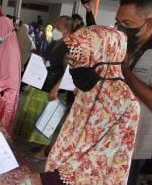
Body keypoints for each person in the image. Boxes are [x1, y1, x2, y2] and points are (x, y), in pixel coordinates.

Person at [41, 25, 140, 184]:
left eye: (81, 56)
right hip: (59, 168)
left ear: (104, 53)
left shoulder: (126, 104)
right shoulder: (88, 87)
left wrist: (52, 178)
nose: (74, 64)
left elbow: (103, 160)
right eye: (73, 56)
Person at [14, 16, 74, 162]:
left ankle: (43, 152)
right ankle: (38, 146)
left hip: (53, 89)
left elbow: (70, 70)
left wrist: (56, 88)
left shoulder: (71, 46)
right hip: (43, 84)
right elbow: (49, 59)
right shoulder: (56, 41)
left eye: (58, 27)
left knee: (48, 119)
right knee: (38, 118)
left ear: (67, 29)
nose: (54, 29)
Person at [115, 0, 152, 184]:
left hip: (134, 143)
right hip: (108, 131)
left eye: (127, 23)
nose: (121, 28)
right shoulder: (121, 43)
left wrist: (124, 70)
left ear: (150, 22)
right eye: (118, 22)